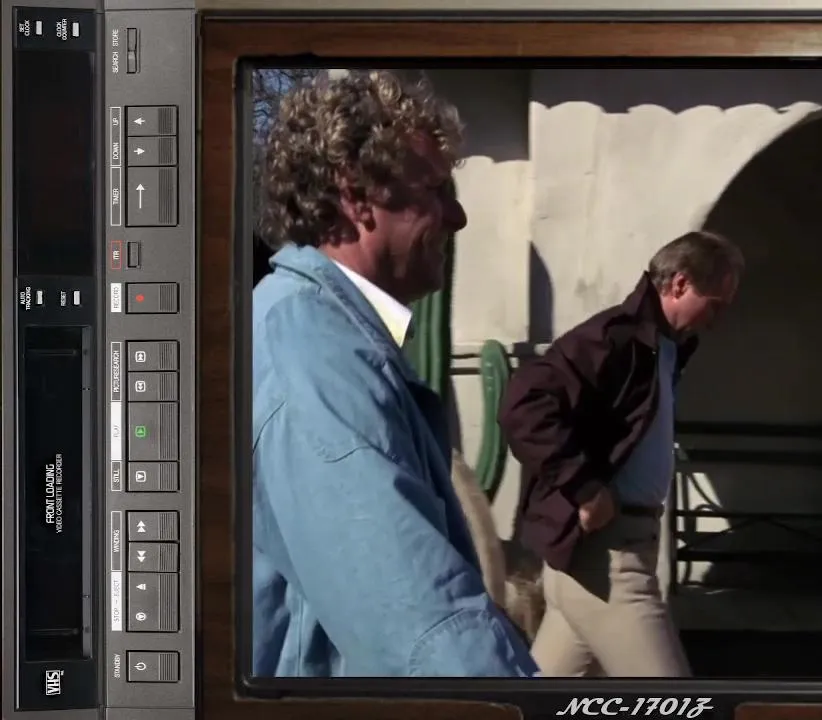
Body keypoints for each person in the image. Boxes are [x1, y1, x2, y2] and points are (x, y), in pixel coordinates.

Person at [251, 70, 538, 678]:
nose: (457, 216)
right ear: (357, 197)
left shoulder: (326, 333)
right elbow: (420, 623)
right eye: (434, 189)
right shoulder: (315, 354)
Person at [499, 231, 744, 677]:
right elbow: (524, 404)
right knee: (674, 705)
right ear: (680, 284)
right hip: (609, 565)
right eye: (715, 304)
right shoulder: (615, 338)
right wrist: (584, 487)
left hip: (610, 560)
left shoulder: (664, 348)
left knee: (539, 702)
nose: (718, 319)